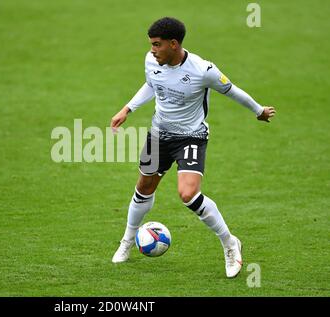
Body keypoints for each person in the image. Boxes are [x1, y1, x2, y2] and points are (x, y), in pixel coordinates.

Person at [110, 17, 275, 278]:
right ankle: (127, 241)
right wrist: (127, 108)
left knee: (187, 194)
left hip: (191, 137)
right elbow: (153, 84)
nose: (152, 50)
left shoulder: (203, 70)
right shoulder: (151, 60)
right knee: (144, 187)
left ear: (173, 44)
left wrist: (259, 111)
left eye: (157, 44)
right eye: (151, 45)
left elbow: (232, 90)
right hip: (159, 135)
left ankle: (230, 243)